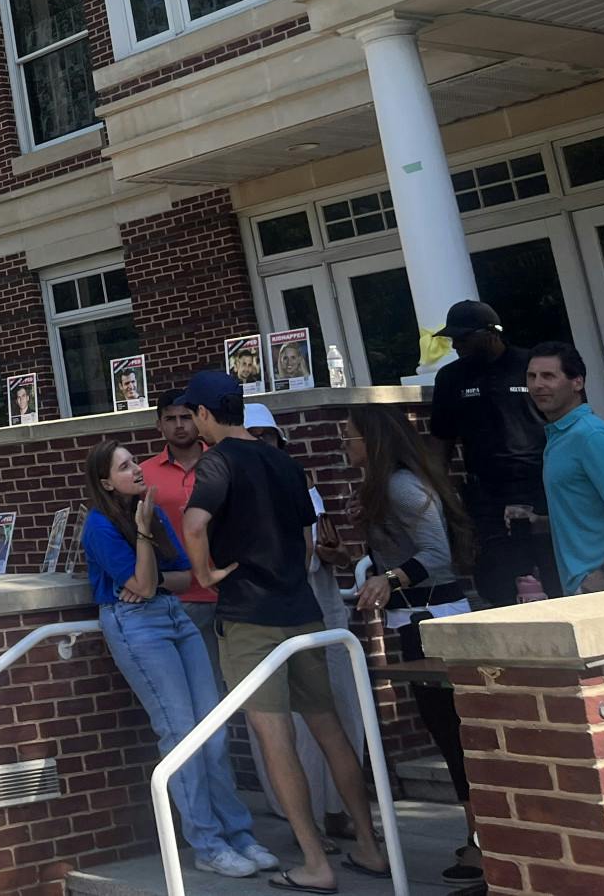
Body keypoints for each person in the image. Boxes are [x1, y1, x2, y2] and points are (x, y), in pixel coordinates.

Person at [181, 370, 387, 894]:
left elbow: (194, 524)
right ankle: (369, 845)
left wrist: (205, 574)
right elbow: (307, 536)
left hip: (250, 617)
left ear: (204, 413)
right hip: (303, 612)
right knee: (329, 727)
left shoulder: (217, 461)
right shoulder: (287, 463)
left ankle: (315, 862)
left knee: (275, 737)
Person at [79, 441, 272, 880]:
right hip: (134, 625)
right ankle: (208, 844)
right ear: (106, 482)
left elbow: (185, 579)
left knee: (212, 729)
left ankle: (239, 834)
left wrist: (151, 576)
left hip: (174, 616)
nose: (137, 469)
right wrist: (144, 543)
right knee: (180, 732)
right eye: (125, 466)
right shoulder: (100, 526)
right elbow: (143, 587)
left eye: (135, 461)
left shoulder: (151, 511)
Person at [342, 407, 483, 884]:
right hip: (418, 616)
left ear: (373, 442)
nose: (345, 445)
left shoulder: (401, 486)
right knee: (448, 733)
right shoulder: (392, 486)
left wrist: (389, 578)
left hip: (432, 617)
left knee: (453, 734)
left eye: (350, 437)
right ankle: (478, 838)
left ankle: (480, 846)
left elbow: (437, 555)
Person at [243, 406, 365, 847]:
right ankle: (304, 821)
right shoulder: (231, 490)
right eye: (252, 435)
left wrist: (335, 553)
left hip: (322, 610)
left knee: (341, 711)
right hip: (272, 615)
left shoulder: (303, 483)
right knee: (287, 724)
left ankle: (341, 812)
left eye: (268, 435)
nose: (262, 443)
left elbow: (331, 553)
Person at [428, 300, 559, 605]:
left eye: (463, 338)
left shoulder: (530, 366)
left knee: (553, 571)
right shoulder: (450, 378)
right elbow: (441, 442)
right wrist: (439, 494)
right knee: (498, 579)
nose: (456, 345)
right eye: (452, 339)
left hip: (540, 485)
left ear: (491, 333)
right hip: (487, 494)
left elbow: (561, 420)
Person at [139, 397, 219, 671]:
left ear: (198, 418)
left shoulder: (223, 461)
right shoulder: (143, 474)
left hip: (229, 590)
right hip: (176, 597)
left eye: (186, 417)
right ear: (159, 425)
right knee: (200, 683)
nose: (179, 425)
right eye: (170, 419)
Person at [526, 341, 604, 594]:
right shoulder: (560, 437)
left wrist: (603, 575)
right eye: (532, 376)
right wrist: (540, 522)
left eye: (548, 376)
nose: (537, 385)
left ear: (577, 382)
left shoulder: (590, 435)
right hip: (582, 592)